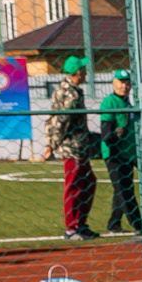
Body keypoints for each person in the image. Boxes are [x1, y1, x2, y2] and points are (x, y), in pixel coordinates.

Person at [47, 57, 99, 241]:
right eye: (83, 70)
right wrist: (51, 145)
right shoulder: (71, 94)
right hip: (72, 148)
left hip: (80, 146)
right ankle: (71, 228)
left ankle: (81, 224)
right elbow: (60, 120)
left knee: (89, 182)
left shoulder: (69, 89)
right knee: (74, 186)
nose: (85, 72)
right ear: (77, 73)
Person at [97, 70, 141, 235]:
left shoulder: (128, 103)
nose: (125, 86)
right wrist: (116, 135)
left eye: (127, 82)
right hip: (115, 154)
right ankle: (139, 225)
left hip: (127, 154)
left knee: (122, 189)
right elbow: (106, 134)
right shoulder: (109, 102)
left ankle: (114, 224)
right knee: (124, 190)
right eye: (121, 82)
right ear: (113, 83)